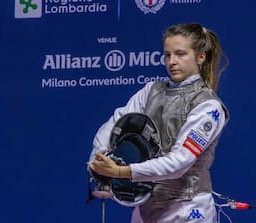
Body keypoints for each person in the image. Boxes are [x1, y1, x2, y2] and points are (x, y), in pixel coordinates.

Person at [88, 23, 230, 223]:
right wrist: (99, 157)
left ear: (200, 57)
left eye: (180, 54)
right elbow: (116, 121)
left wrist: (121, 172)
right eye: (167, 55)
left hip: (187, 209)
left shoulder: (208, 106)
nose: (172, 62)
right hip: (146, 206)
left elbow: (179, 163)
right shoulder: (152, 90)